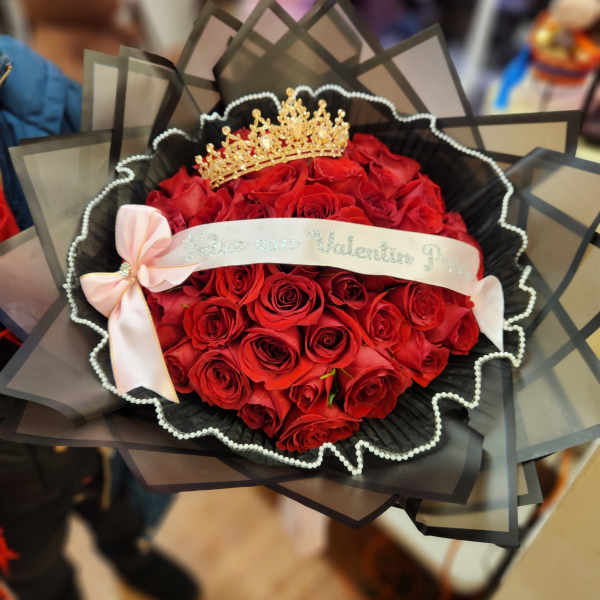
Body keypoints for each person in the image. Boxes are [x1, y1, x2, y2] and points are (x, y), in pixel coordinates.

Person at [0, 36, 200, 600]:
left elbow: (122, 178)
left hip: (81, 373)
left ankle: (129, 551)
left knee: (112, 489)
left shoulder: (18, 79)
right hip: (8, 454)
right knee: (34, 564)